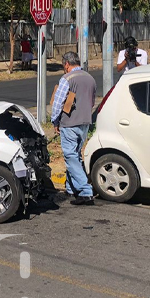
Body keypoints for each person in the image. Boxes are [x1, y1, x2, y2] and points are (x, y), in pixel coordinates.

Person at [51, 51, 96, 205]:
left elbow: (58, 103)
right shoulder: (90, 78)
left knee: (70, 156)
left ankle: (85, 191)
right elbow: (92, 101)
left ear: (66, 64)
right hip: (85, 122)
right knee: (75, 156)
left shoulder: (67, 79)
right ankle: (71, 188)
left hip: (69, 123)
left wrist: (55, 121)